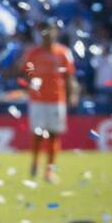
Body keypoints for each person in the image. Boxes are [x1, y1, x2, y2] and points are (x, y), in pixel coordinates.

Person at [19, 23, 77, 181]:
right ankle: (35, 163)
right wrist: (29, 84)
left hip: (57, 99)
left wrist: (72, 94)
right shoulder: (33, 53)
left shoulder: (63, 52)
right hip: (37, 99)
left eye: (51, 32)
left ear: (55, 34)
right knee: (38, 134)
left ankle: (50, 170)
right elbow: (24, 72)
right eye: (45, 33)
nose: (48, 36)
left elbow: (70, 76)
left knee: (54, 135)